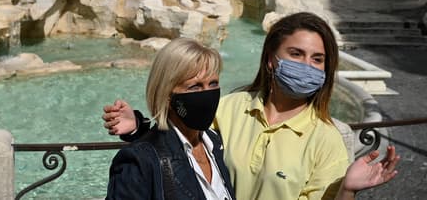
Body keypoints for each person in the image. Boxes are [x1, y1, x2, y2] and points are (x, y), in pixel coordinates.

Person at [103, 12, 400, 200]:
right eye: (296, 54)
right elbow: (180, 140)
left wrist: (347, 190)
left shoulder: (326, 138)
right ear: (271, 59)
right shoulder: (228, 108)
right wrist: (141, 128)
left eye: (318, 59)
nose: (307, 66)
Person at [107, 38, 236, 199]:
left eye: (213, 83)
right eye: (194, 86)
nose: (207, 94)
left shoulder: (215, 143)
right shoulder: (138, 162)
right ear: (167, 94)